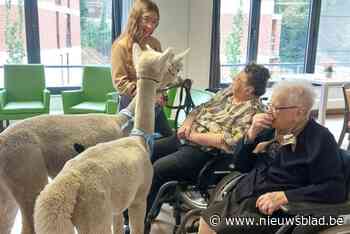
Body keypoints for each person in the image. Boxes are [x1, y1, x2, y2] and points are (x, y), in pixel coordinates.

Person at [198, 81, 347, 234]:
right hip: (245, 195)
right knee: (206, 219)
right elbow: (241, 165)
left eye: (276, 108)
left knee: (222, 229)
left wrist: (286, 196)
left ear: (300, 113)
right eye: (269, 105)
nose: (268, 113)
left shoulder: (320, 139)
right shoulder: (269, 129)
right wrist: (251, 135)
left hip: (278, 211)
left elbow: (334, 188)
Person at [146, 63, 271, 218]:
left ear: (249, 90)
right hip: (183, 138)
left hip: (203, 154)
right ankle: (140, 207)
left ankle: (140, 221)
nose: (233, 79)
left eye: (238, 79)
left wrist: (191, 136)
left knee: (158, 168)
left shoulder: (254, 112)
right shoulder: (227, 93)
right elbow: (200, 108)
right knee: (145, 151)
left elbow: (228, 141)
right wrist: (187, 123)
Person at [111, 0, 172, 137]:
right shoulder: (120, 46)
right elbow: (120, 83)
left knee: (168, 140)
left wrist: (163, 94)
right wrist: (148, 95)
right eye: (146, 19)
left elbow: (161, 76)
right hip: (131, 104)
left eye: (155, 21)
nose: (151, 26)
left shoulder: (155, 44)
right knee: (131, 147)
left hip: (154, 104)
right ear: (135, 18)